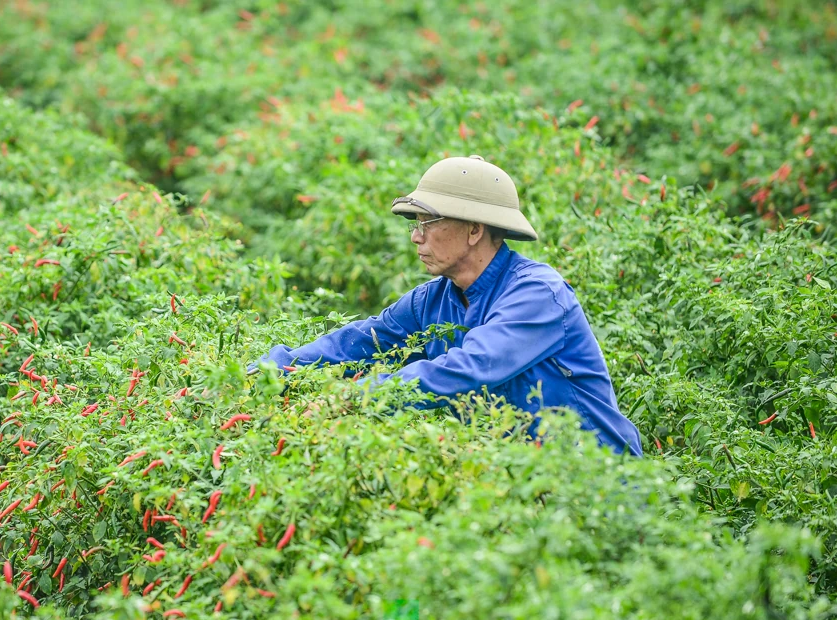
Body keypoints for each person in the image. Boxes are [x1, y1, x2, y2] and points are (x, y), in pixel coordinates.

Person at [251, 154, 643, 456]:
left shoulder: (538, 294)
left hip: (596, 479)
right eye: (415, 224)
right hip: (523, 481)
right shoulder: (432, 299)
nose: (416, 238)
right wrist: (271, 369)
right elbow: (357, 342)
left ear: (474, 230)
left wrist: (360, 395)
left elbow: (472, 367)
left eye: (427, 223)